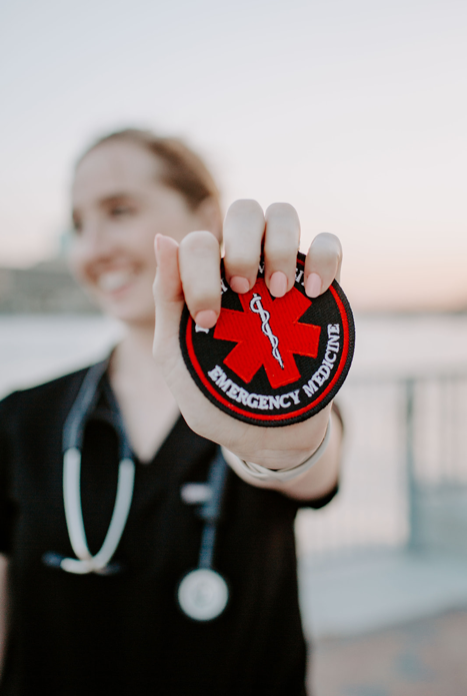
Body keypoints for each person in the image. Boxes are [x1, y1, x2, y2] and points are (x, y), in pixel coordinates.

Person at [0, 129, 344, 695]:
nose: (93, 246)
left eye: (120, 209)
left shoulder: (275, 394)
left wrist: (280, 445)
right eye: (79, 225)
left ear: (207, 218)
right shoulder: (23, 418)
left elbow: (312, 464)